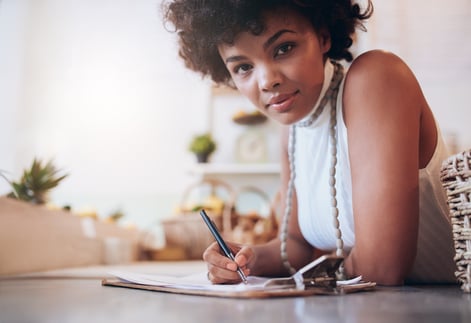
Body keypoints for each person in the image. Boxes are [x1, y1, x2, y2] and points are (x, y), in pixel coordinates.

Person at [163, 0, 457, 286]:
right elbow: (297, 246)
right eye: (243, 67)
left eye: (283, 48)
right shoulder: (292, 130)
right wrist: (245, 259)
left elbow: (382, 267)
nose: (267, 81)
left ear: (323, 36)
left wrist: (318, 269)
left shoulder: (377, 78)